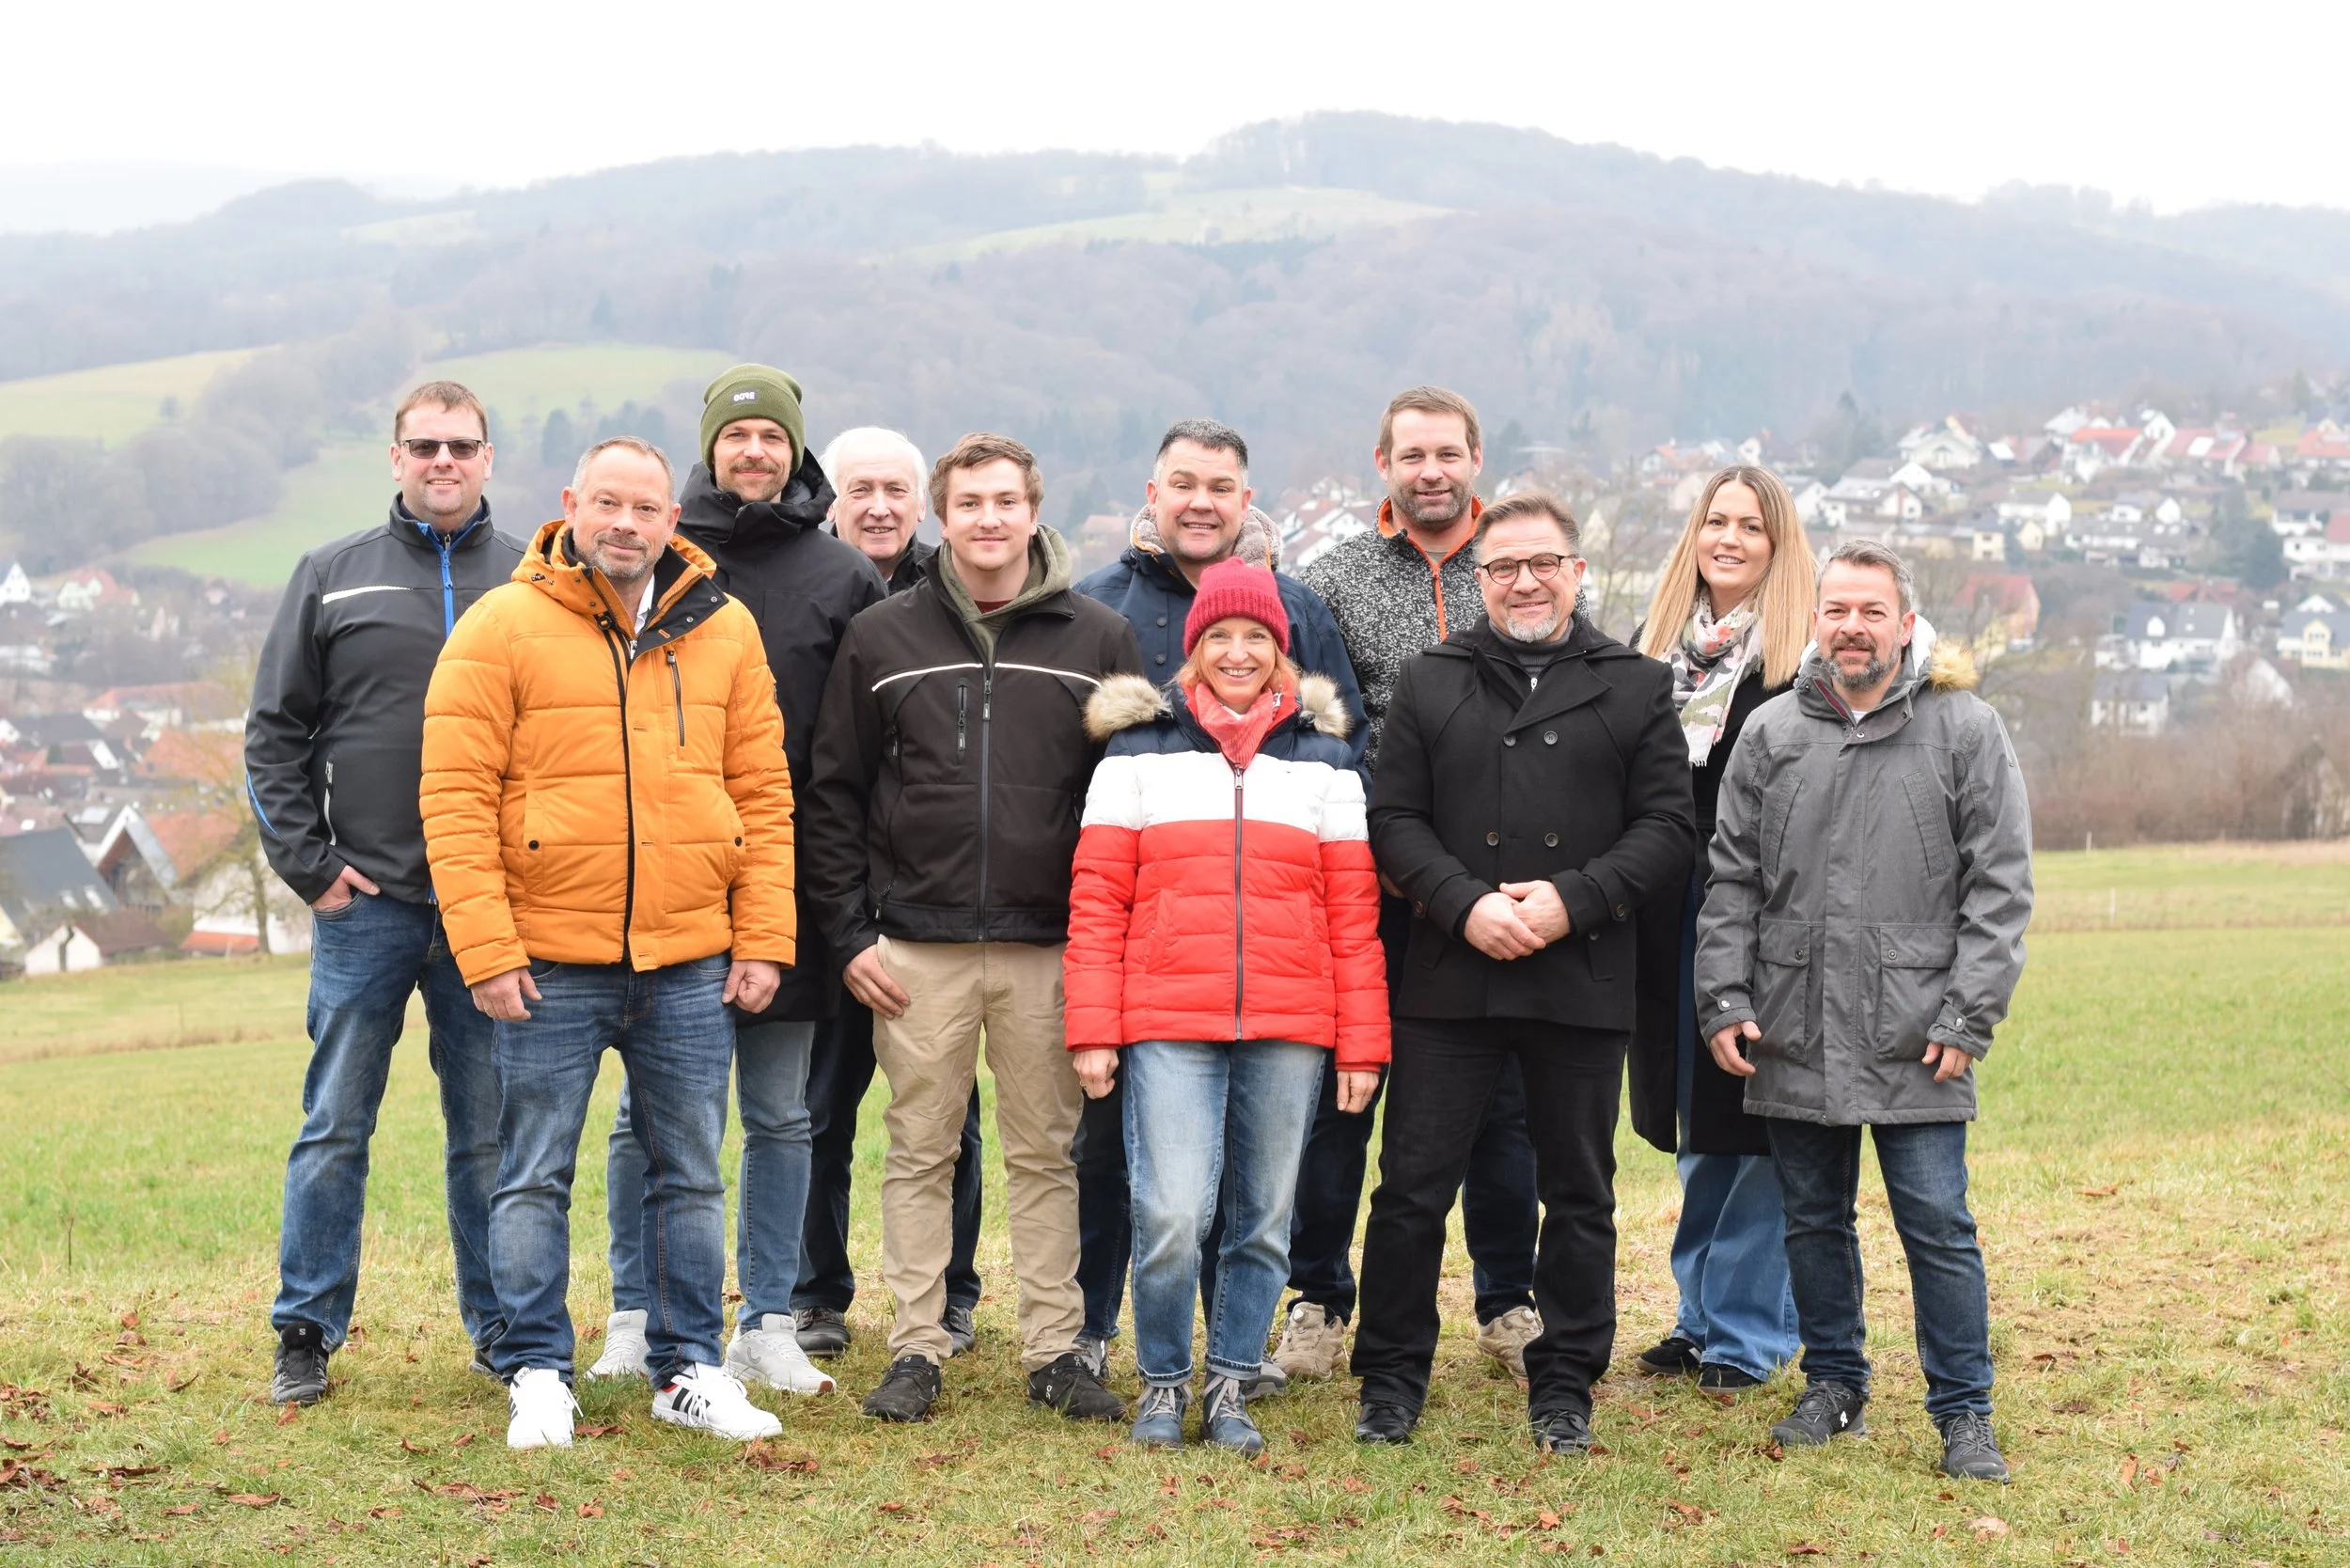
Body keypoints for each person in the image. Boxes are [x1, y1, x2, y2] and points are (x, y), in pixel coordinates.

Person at [421, 436, 797, 1449]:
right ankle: (537, 1369)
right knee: (531, 1170)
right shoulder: (501, 626)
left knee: (690, 1170)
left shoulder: (725, 630)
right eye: (608, 504)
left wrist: (761, 936)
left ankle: (689, 1370)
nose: (626, 524)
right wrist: (486, 949)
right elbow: (454, 800)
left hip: (686, 958)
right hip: (546, 956)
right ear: (569, 506)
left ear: (673, 520)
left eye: (646, 508)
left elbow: (762, 793)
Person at [803, 432, 1142, 1424]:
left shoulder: (1099, 639)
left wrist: (1102, 946)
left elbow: (1125, 804)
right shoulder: (883, 638)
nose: (987, 519)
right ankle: (916, 1347)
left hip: (1050, 947)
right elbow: (834, 795)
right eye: (970, 503)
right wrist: (851, 936)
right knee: (921, 1149)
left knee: (1048, 1152)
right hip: (916, 945)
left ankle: (1053, 1350)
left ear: (1034, 513)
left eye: (1006, 501)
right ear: (942, 516)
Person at [1351, 492, 1692, 1452]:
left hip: (1579, 975)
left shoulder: (1633, 683)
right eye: (1502, 568)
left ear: (1577, 573)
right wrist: (1464, 903)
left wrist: (1568, 901)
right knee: (1412, 1187)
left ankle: (1566, 1382)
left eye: (1543, 563)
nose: (1524, 582)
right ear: (1478, 580)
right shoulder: (1431, 678)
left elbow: (1666, 829)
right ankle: (1389, 1379)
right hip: (1449, 977)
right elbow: (1394, 820)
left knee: (1577, 1193)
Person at [1696, 539, 2032, 1483]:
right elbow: (1728, 882)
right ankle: (1834, 1384)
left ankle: (1963, 1413)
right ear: (1816, 621)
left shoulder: (1963, 727)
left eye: (1870, 611)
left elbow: (1999, 888)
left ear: (1904, 622)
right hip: (1792, 1023)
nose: (1852, 627)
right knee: (1812, 1218)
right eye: (1836, 610)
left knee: (1936, 1222)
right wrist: (1722, 996)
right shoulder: (1769, 735)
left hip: (1919, 1031)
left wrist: (1967, 1017)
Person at [587, 368, 881, 1400]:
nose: (753, 451)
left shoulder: (841, 574)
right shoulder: (662, 557)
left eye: (771, 436)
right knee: (648, 1121)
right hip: (667, 879)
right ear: (707, 451)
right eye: (736, 435)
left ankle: (768, 1318)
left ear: (795, 451)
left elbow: (857, 742)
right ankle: (637, 1310)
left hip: (787, 874)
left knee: (781, 1113)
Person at [1064, 559, 1387, 1453]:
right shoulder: (1139, 751)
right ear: (1193, 648)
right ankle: (1164, 1382)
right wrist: (1092, 1026)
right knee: (1170, 1214)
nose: (1238, 653)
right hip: (1168, 1022)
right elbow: (1096, 900)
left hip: (1291, 1028)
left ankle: (1233, 1384)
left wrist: (1362, 1045)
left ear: (1282, 650)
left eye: (1257, 638)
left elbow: (1354, 920)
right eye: (1219, 638)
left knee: (1261, 1221)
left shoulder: (1326, 760)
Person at [246, 380, 522, 1405]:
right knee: (335, 1124)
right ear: (394, 458)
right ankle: (306, 1330)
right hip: (366, 904)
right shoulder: (331, 575)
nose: (442, 462)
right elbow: (273, 733)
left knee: (489, 1130)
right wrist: (309, 867)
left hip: (490, 910)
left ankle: (502, 1330)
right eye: (423, 446)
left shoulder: (533, 580)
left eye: (461, 445)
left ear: (489, 457)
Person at [1282, 386, 1544, 1386]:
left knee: (1500, 1107)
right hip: (1368, 888)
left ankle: (1508, 1302)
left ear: (1477, 457)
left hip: (1503, 890)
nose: (1430, 471)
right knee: (1339, 1102)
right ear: (1382, 466)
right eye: (1411, 455)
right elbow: (1317, 730)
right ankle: (1316, 1298)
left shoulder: (1521, 569)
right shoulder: (1331, 579)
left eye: (1447, 452)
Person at [791, 426, 989, 1363]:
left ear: (924, 505)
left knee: (950, 1116)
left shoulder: (955, 597)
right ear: (832, 499)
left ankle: (952, 1293)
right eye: (858, 487)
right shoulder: (811, 584)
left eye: (895, 489)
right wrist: (838, 914)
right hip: (832, 901)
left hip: (934, 907)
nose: (877, 504)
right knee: (820, 1111)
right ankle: (816, 1295)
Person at [1624, 467, 1815, 1395]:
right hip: (1666, 911)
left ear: (1778, 544)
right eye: (1715, 521)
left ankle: (1748, 1333)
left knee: (1758, 1123)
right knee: (1697, 1121)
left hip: (1765, 914)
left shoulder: (1798, 660)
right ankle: (1697, 1318)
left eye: (1751, 525)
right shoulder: (1653, 647)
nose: (1730, 539)